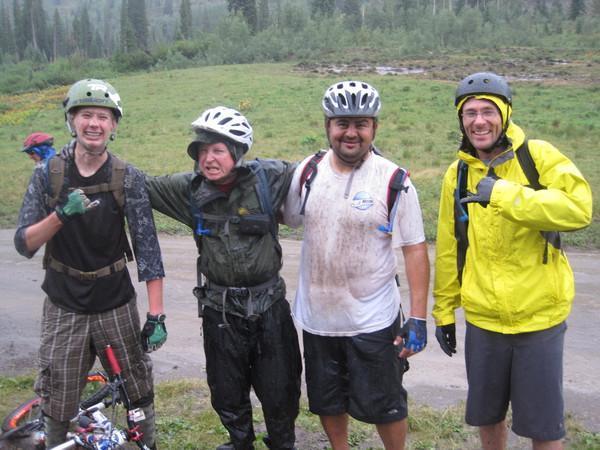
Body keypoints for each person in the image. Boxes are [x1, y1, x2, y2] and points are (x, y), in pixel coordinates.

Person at [433, 72, 593, 450]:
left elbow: (579, 209)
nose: (479, 121)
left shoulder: (537, 157)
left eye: (488, 111)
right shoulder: (456, 176)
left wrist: (504, 193)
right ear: (461, 121)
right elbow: (448, 247)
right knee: (487, 417)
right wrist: (443, 312)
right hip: (484, 320)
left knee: (542, 426)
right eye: (469, 113)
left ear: (505, 114)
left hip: (540, 319)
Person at [14, 79, 167, 449]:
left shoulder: (126, 176)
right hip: (64, 303)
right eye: (86, 115)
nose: (94, 123)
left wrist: (157, 315)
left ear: (114, 125)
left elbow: (147, 248)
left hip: (114, 301)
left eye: (103, 116)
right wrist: (60, 216)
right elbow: (24, 244)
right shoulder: (48, 175)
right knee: (58, 391)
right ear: (72, 121)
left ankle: (146, 444)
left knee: (137, 386)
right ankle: (54, 443)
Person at [283, 80, 430, 450]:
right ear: (327, 126)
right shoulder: (308, 171)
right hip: (318, 317)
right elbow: (284, 218)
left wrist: (417, 316)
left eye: (360, 124)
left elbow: (414, 248)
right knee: (327, 400)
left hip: (373, 318)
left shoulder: (394, 180)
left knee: (386, 404)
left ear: (374, 128)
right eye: (341, 123)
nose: (351, 133)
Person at [145, 106, 301, 450]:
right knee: (227, 392)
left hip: (270, 308)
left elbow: (316, 173)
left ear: (236, 154)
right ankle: (240, 443)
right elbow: (139, 186)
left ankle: (282, 443)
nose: (208, 159)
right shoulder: (188, 189)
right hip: (220, 311)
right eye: (202, 151)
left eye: (217, 151)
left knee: (281, 391)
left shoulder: (268, 178)